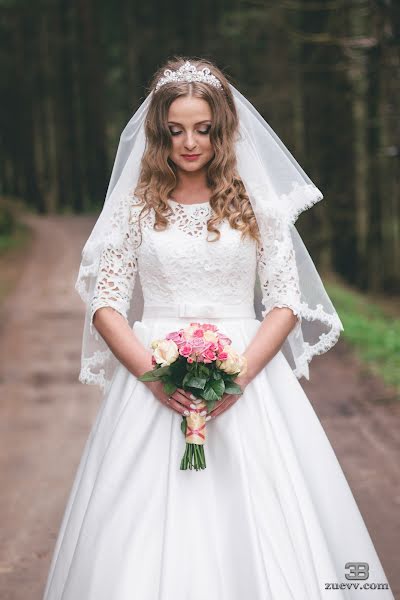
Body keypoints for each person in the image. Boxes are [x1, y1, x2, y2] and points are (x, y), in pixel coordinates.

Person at [42, 57, 394, 599]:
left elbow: (283, 302)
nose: (189, 143)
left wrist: (239, 377)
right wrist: (153, 376)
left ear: (222, 129)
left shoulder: (257, 206)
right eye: (176, 130)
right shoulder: (137, 206)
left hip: (246, 377)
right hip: (154, 378)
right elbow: (106, 303)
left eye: (203, 130)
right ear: (159, 132)